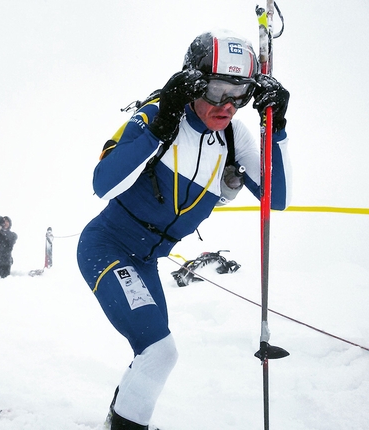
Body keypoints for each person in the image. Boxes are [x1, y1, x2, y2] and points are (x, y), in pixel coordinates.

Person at [77, 29, 290, 430]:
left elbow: (274, 198)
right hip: (108, 246)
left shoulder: (232, 135)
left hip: (147, 260)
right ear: (191, 82)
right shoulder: (160, 114)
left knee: (156, 352)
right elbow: (102, 183)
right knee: (159, 350)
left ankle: (119, 420)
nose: (227, 105)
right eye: (215, 89)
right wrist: (159, 129)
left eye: (240, 92)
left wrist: (275, 128)